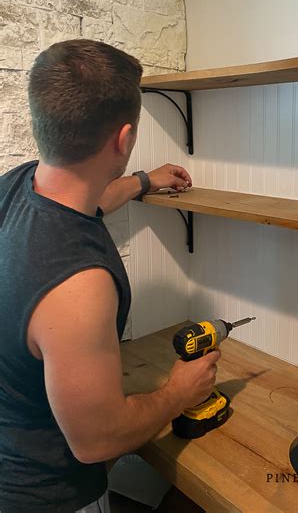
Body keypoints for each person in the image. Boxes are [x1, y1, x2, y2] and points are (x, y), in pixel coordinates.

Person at [0, 39, 221, 513]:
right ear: (124, 138)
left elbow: (88, 201)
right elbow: (97, 441)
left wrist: (144, 180)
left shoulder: (18, 187)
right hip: (50, 498)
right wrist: (178, 392)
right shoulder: (78, 285)